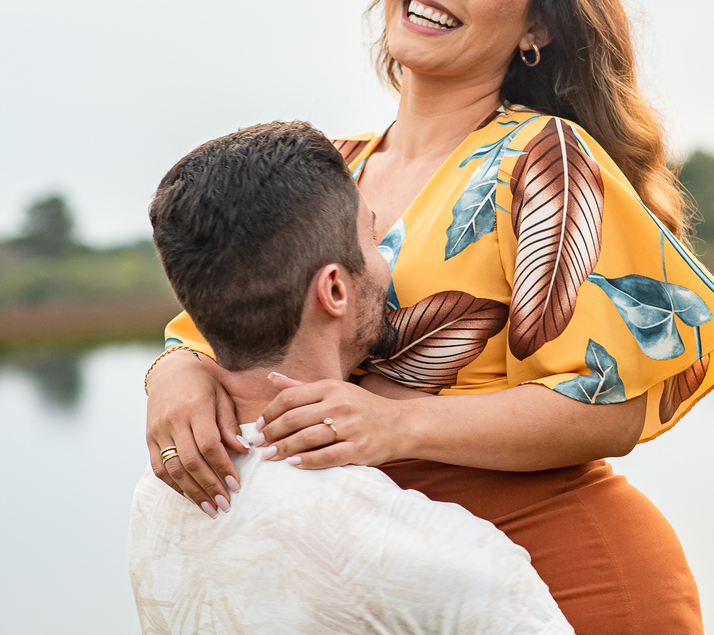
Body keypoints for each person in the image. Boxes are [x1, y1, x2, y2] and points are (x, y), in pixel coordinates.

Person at [144, 0, 714, 634]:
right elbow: (222, 320)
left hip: (562, 570)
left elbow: (613, 406)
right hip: (380, 584)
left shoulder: (544, 161)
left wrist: (400, 427)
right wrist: (172, 374)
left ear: (537, 25)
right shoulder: (327, 166)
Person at [130, 121, 571, 635]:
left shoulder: (157, 496)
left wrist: (174, 363)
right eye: (373, 237)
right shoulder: (455, 562)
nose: (389, 263)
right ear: (335, 289)